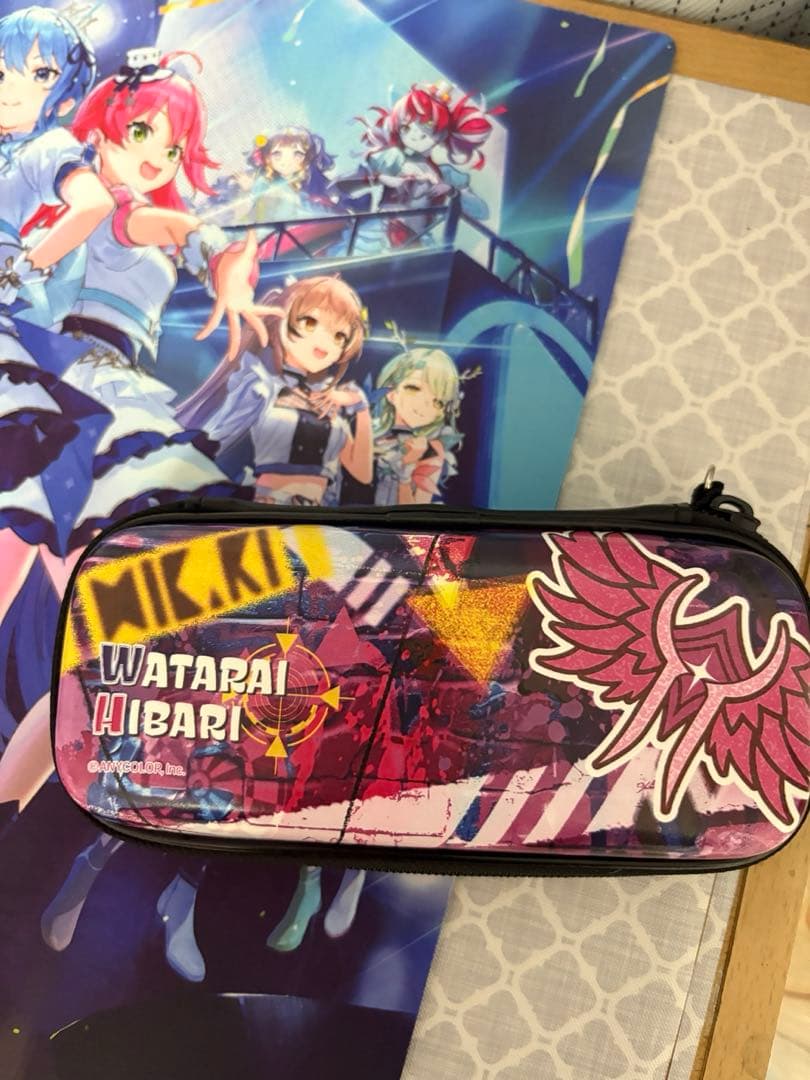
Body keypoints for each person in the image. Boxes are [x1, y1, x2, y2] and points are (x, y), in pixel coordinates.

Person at [178, 274, 372, 507]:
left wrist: (361, 407)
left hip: (314, 514)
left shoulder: (324, 399)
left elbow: (361, 472)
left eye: (339, 336)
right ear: (281, 318)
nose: (325, 342)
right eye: (310, 323)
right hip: (266, 509)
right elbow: (213, 446)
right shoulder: (260, 386)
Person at [373, 343, 469, 505]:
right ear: (391, 392)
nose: (424, 404)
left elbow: (415, 510)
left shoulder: (431, 449)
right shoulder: (371, 433)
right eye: (414, 388)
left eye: (438, 402)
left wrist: (406, 469)